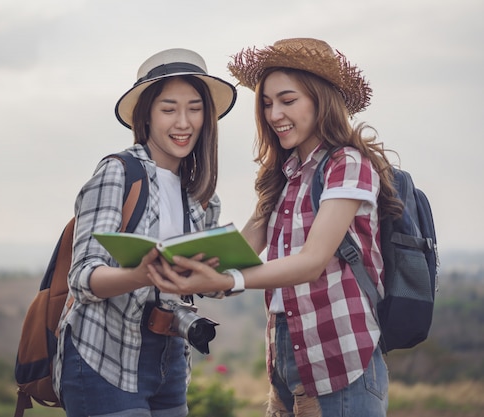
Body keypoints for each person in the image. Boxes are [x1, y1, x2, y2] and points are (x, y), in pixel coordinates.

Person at [148, 38, 403, 416]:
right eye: (266, 103)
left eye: (287, 100)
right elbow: (247, 247)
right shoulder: (284, 174)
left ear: (321, 99)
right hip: (286, 351)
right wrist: (189, 266)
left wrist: (227, 281)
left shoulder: (346, 164)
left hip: (339, 353)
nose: (274, 114)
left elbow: (312, 261)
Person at [52, 48, 237, 417]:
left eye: (195, 108)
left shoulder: (202, 195)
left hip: (170, 358)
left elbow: (200, 283)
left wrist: (221, 278)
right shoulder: (118, 172)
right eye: (169, 109)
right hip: (103, 354)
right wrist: (139, 275)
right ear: (147, 116)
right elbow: (82, 277)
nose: (183, 122)